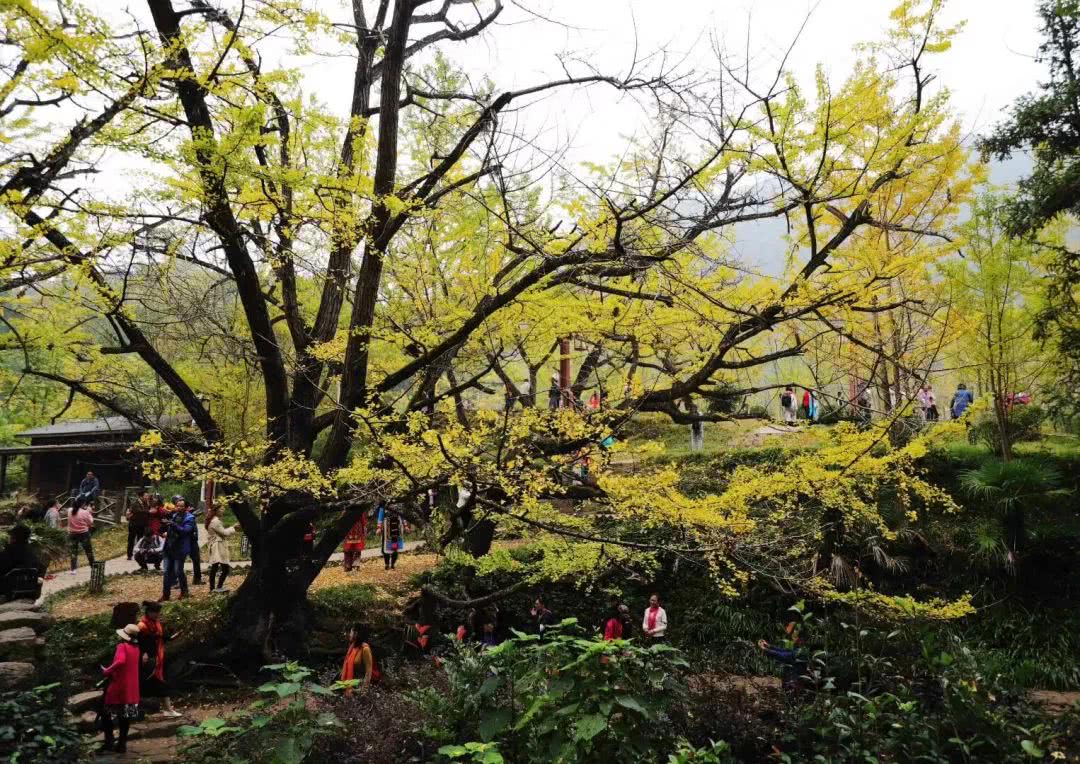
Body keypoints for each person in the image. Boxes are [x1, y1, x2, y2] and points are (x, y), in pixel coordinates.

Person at [100, 623, 141, 752]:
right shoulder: (136, 649)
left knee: (106, 714)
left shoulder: (122, 646)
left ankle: (109, 742)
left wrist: (107, 671)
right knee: (125, 716)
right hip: (132, 689)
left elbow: (121, 661)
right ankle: (122, 744)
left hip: (119, 686)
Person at [138, 600, 182, 717]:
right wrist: (144, 653)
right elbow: (140, 642)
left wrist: (169, 638)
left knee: (161, 683)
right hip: (150, 660)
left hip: (159, 657)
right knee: (158, 683)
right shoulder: (142, 626)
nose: (157, 614)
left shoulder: (156, 623)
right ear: (149, 612)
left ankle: (167, 709)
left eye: (158, 612)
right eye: (155, 612)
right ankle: (168, 709)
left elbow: (158, 637)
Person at [0, 525, 46, 600]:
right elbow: (41, 571)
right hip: (32, 593)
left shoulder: (6, 554)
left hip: (8, 592)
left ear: (13, 538)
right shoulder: (35, 553)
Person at [160, 498, 194, 601]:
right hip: (169, 547)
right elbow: (169, 530)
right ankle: (166, 595)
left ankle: (184, 591)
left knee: (178, 571)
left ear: (186, 507)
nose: (179, 508)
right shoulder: (174, 516)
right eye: (178, 506)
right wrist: (164, 529)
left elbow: (185, 531)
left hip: (180, 549)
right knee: (166, 572)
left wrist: (173, 525)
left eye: (182, 506)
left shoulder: (190, 518)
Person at [205, 505, 237, 593]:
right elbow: (224, 533)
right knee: (224, 568)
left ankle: (213, 588)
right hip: (218, 546)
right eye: (221, 509)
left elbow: (221, 531)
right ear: (216, 510)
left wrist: (231, 528)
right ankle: (216, 588)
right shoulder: (215, 521)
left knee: (215, 568)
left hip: (217, 545)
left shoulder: (214, 521)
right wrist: (233, 528)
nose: (223, 510)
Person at [341, 623, 380, 695]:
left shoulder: (365, 649)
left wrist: (363, 690)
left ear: (357, 633)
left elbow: (368, 672)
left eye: (351, 632)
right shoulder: (353, 647)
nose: (349, 634)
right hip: (350, 685)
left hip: (359, 687)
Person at [67, 500, 95, 575]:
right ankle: (93, 566)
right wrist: (89, 513)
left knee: (73, 551)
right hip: (83, 533)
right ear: (82, 504)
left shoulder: (69, 510)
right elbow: (90, 522)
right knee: (88, 551)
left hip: (72, 534)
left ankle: (73, 569)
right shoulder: (85, 512)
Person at [377, 504, 405, 570]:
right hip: (387, 526)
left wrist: (405, 525)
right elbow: (381, 514)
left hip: (397, 526)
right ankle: (387, 564)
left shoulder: (399, 502)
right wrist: (379, 527)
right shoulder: (384, 503)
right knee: (386, 546)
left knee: (395, 546)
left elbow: (403, 514)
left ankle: (393, 564)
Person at [126, 491, 152, 561]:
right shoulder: (135, 503)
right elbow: (138, 511)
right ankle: (129, 555)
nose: (147, 497)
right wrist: (148, 511)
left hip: (142, 525)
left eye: (147, 496)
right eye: (146, 496)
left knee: (140, 540)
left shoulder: (146, 503)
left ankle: (139, 555)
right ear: (141, 497)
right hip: (134, 524)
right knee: (131, 540)